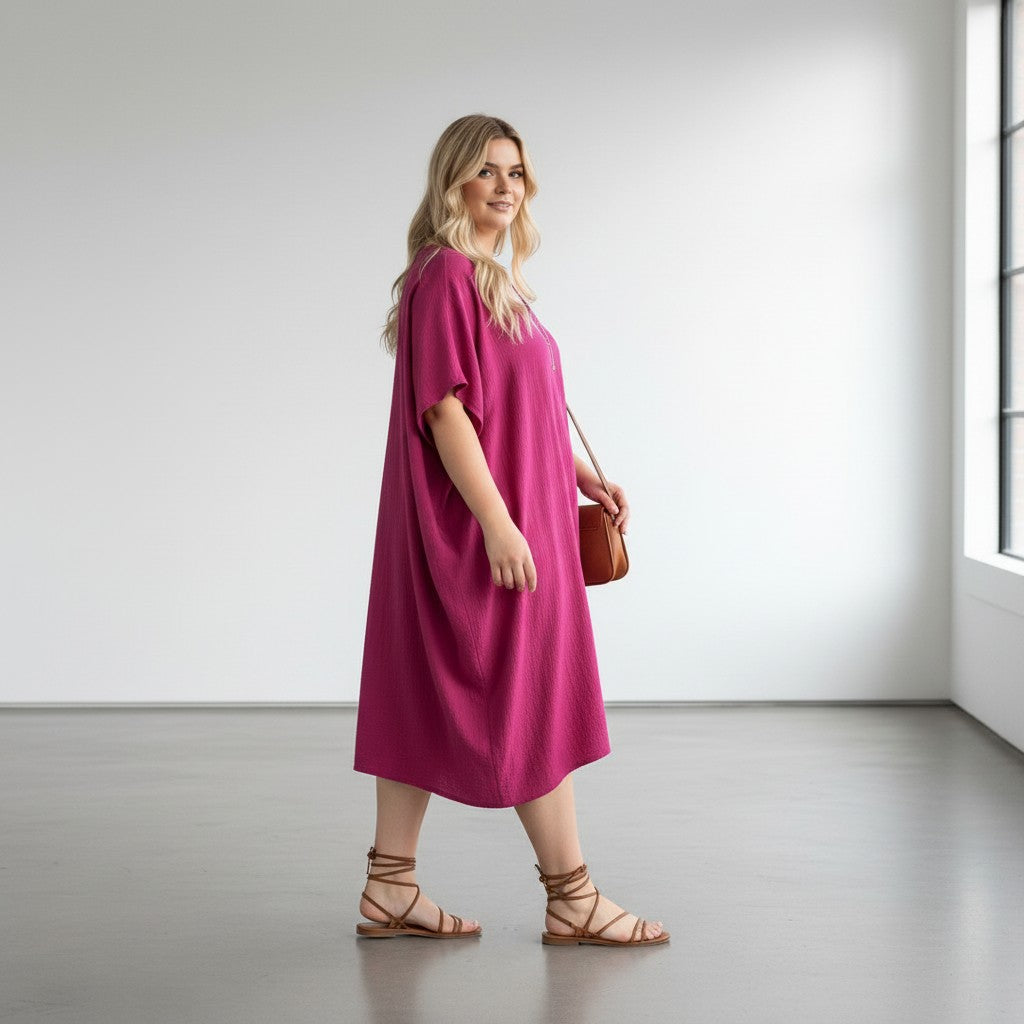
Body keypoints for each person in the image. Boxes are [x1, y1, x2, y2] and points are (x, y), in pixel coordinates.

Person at [352, 113, 667, 947]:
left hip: (521, 515)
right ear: (453, 179)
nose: (504, 186)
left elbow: (515, 413)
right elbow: (445, 411)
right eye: (487, 170)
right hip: (487, 525)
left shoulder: (487, 279)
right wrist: (498, 523)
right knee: (531, 695)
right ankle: (573, 897)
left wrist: (579, 474)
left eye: (516, 172)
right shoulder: (446, 274)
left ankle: (390, 885)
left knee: (425, 689)